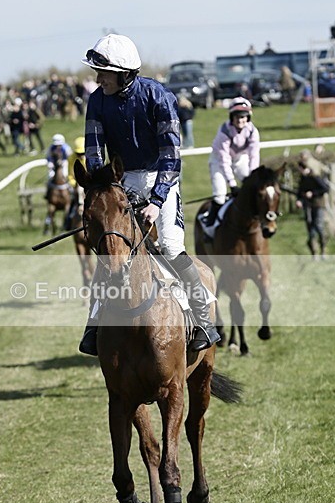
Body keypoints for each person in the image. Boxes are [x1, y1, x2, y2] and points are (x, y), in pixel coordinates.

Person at [78, 32, 220, 356]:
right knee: (111, 248)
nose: (98, 79)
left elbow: (172, 156)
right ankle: (94, 322)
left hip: (161, 176)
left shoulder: (159, 97)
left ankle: (202, 321)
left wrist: (156, 202)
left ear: (124, 72)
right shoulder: (96, 101)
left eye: (104, 72)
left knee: (169, 245)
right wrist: (103, 191)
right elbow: (94, 151)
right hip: (121, 180)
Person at [206, 97, 261, 227]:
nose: (240, 120)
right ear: (231, 117)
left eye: (243, 117)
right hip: (218, 161)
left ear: (248, 117)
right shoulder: (224, 132)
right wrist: (232, 184)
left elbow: (254, 156)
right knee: (219, 196)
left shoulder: (253, 131)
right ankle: (210, 226)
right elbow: (224, 160)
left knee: (252, 188)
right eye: (237, 117)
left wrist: (253, 177)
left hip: (240, 159)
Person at [295, 152, 329, 259]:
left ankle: (323, 248)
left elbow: (325, 188)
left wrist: (313, 193)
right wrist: (299, 200)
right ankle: (314, 252)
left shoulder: (314, 176)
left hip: (318, 204)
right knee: (310, 228)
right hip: (307, 205)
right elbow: (300, 191)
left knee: (318, 226)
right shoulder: (303, 179)